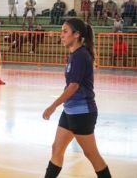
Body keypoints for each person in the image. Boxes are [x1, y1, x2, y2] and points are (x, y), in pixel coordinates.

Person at [42, 18, 111, 178]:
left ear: (77, 34)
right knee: (57, 149)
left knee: (92, 156)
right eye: (61, 32)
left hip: (82, 113)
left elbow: (74, 86)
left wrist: (53, 106)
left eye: (65, 31)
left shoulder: (81, 55)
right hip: (70, 111)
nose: (62, 35)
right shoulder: (74, 55)